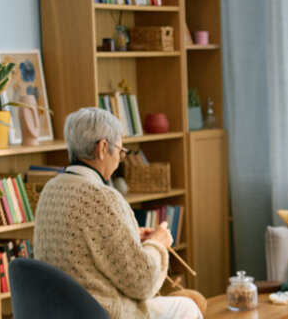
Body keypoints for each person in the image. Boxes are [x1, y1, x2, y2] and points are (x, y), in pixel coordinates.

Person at [34, 108, 202, 319]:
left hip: (58, 310)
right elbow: (142, 283)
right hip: (99, 312)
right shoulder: (104, 198)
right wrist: (158, 243)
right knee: (186, 308)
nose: (119, 159)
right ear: (103, 148)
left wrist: (131, 236)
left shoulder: (50, 190)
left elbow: (84, 248)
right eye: (120, 151)